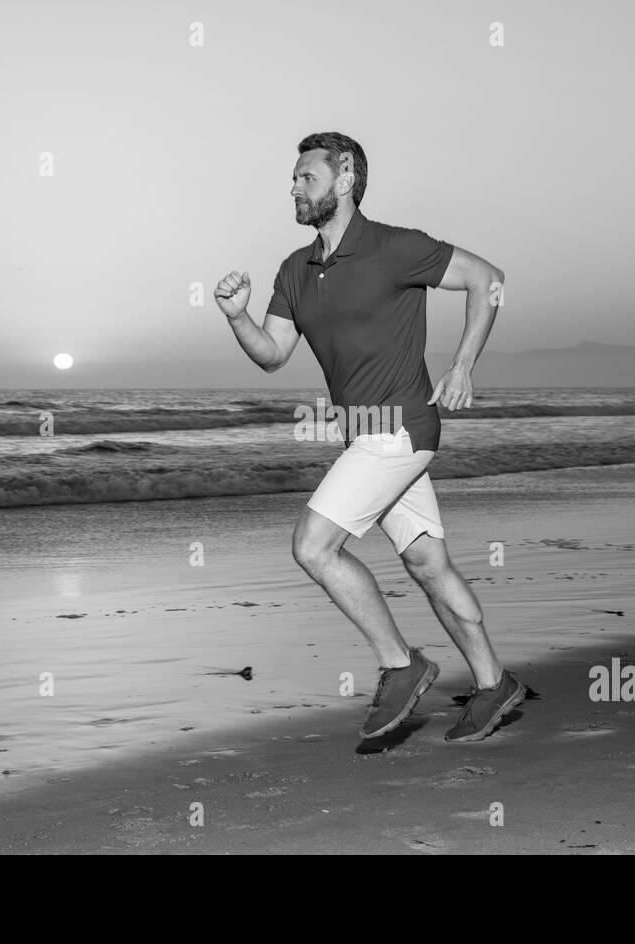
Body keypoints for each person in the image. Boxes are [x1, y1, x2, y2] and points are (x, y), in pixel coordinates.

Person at [215, 131, 524, 742]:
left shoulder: (394, 247)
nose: (295, 187)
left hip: (400, 428)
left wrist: (463, 365)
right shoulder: (295, 269)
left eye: (307, 177)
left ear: (346, 178)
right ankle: (494, 684)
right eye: (294, 178)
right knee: (427, 563)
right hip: (362, 434)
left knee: (313, 547)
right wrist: (237, 316)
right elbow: (272, 354)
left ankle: (401, 664)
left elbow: (488, 279)